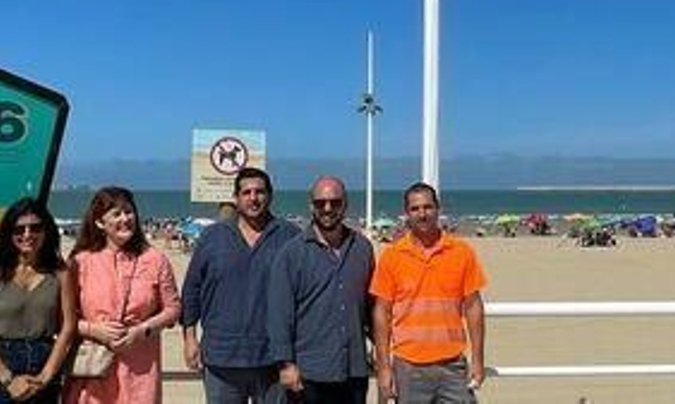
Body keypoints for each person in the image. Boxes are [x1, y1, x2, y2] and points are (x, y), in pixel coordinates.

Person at [182, 167, 301, 403]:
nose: (253, 198)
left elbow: (303, 295)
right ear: (236, 198)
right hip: (221, 358)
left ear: (270, 196)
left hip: (273, 359)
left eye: (259, 192)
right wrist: (189, 338)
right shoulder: (212, 237)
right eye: (246, 192)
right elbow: (192, 288)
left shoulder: (290, 237)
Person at [370, 183, 487, 404]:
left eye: (427, 207)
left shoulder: (462, 252)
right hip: (408, 367)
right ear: (406, 213)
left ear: (438, 209)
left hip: (453, 365)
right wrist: (384, 368)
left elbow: (474, 307)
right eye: (415, 209)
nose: (422, 214)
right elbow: (381, 313)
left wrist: (478, 360)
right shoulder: (392, 256)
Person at [65, 187, 181, 404]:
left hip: (140, 368)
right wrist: (95, 330)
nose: (125, 219)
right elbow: (62, 317)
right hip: (93, 368)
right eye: (116, 214)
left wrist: (140, 330)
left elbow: (173, 309)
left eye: (129, 212)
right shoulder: (81, 262)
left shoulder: (156, 260)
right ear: (100, 222)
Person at [267, 176, 376, 403]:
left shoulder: (362, 248)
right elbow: (279, 314)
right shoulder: (292, 253)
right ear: (311, 206)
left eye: (335, 202)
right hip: (309, 372)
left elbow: (371, 306)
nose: (328, 209)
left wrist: (380, 349)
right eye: (320, 203)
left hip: (353, 369)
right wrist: (286, 364)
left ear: (345, 204)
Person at [0, 198, 77, 403]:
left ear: (46, 231)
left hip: (43, 365)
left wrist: (46, 376)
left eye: (35, 228)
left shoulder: (60, 273)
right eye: (19, 230)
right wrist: (8, 380)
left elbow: (67, 329)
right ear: (9, 234)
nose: (28, 235)